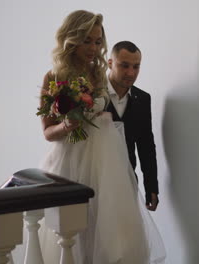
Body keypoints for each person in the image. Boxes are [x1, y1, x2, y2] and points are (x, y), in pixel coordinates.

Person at [38, 10, 166, 264]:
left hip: (107, 163)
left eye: (98, 41)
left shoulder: (98, 75)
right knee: (71, 230)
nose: (94, 48)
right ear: (72, 38)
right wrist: (66, 125)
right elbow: (48, 133)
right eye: (87, 40)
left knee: (109, 231)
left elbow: (143, 141)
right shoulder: (53, 77)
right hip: (70, 162)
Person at [107, 41, 159, 212]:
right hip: (94, 181)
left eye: (136, 67)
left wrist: (151, 186)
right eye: (124, 66)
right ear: (110, 63)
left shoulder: (143, 99)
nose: (131, 73)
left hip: (127, 182)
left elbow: (146, 146)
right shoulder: (90, 94)